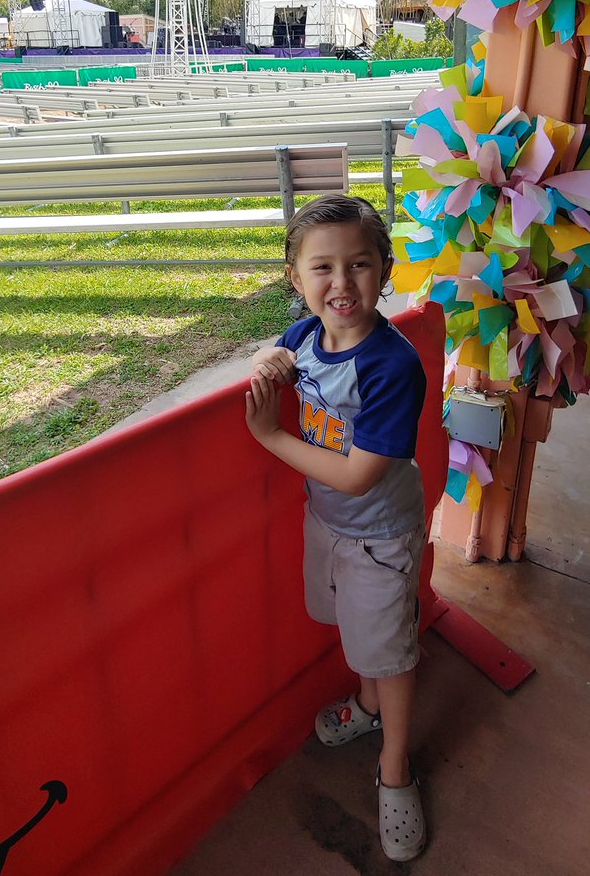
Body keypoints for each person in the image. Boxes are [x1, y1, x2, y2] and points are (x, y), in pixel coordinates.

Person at [245, 193, 428, 863]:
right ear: (296, 279)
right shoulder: (305, 335)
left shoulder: (390, 365)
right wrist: (267, 361)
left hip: (380, 534)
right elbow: (279, 347)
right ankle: (368, 706)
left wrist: (268, 435)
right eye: (321, 268)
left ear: (384, 270)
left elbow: (357, 476)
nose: (340, 283)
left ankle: (395, 767)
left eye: (358, 265)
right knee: (362, 639)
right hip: (327, 523)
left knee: (390, 650)